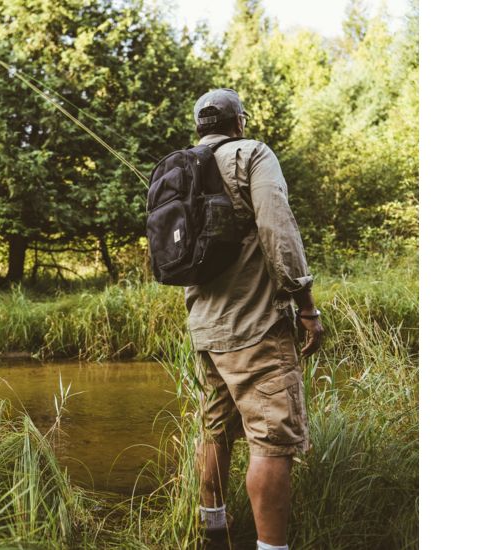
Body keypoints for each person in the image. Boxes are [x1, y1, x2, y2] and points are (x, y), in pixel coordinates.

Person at [185, 88, 324, 550]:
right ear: (239, 121)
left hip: (204, 327)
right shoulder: (253, 154)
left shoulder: (181, 166)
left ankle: (213, 531)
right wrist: (306, 305)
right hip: (257, 328)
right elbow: (277, 228)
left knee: (216, 429)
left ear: (200, 126)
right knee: (271, 441)